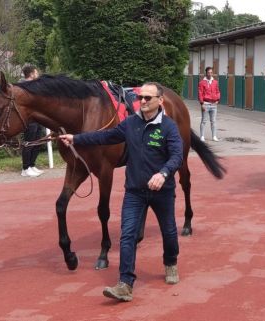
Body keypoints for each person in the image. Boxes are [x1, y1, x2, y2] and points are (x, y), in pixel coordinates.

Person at [59, 82, 183, 302]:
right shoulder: (131, 124)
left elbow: (176, 156)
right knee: (127, 235)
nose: (142, 101)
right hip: (135, 191)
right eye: (141, 97)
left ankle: (170, 262)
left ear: (160, 101)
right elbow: (103, 137)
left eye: (148, 98)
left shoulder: (169, 127)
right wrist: (75, 138)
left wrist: (163, 174)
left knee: (169, 232)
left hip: (162, 191)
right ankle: (125, 284)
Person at [20, 65, 44, 177]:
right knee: (29, 143)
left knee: (38, 142)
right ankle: (25, 169)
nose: (37, 74)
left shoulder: (35, 85)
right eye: (36, 72)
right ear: (31, 74)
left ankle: (32, 165)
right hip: (29, 119)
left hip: (38, 118)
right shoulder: (24, 86)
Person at [198, 66, 221, 142]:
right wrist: (202, 103)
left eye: (211, 72)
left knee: (213, 121)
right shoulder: (202, 83)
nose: (210, 74)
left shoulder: (215, 82)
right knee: (204, 121)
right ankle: (202, 136)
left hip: (214, 104)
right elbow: (200, 93)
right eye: (208, 72)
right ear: (206, 73)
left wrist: (217, 99)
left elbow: (218, 91)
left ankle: (214, 136)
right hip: (206, 104)